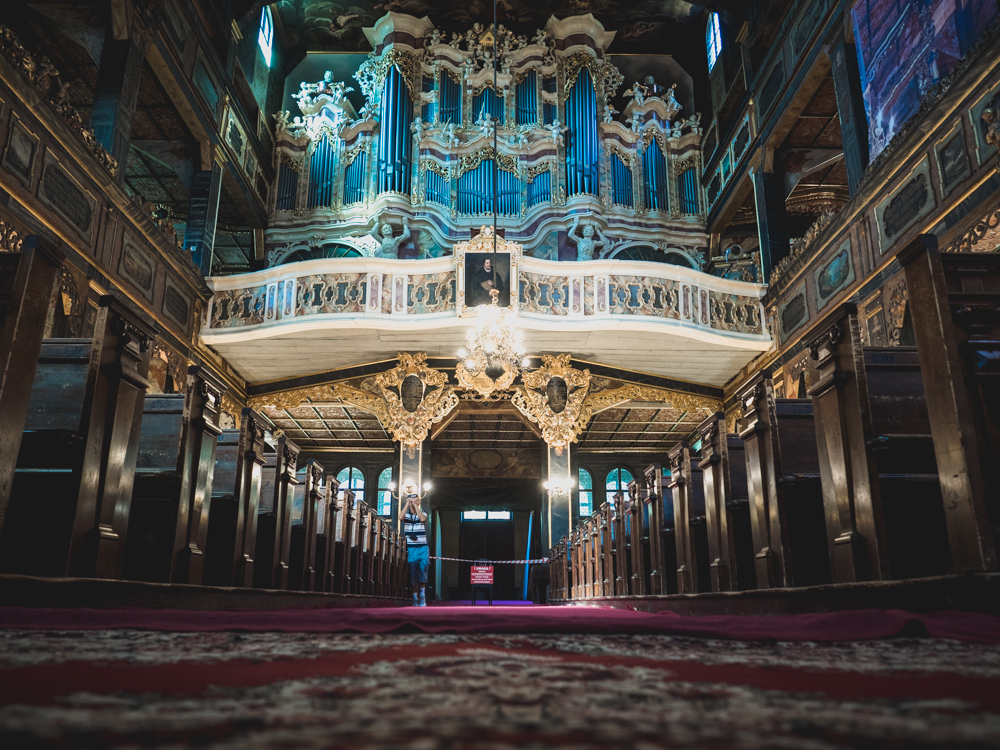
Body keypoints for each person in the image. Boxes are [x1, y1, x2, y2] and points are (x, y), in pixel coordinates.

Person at [399, 495, 428, 606]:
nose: (415, 501)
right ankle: (414, 597)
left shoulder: (423, 512)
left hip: (422, 547)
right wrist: (407, 503)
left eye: (417, 500)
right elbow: (400, 518)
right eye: (413, 500)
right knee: (412, 571)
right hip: (411, 548)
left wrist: (416, 506)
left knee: (423, 570)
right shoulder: (406, 514)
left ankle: (423, 597)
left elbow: (423, 519)